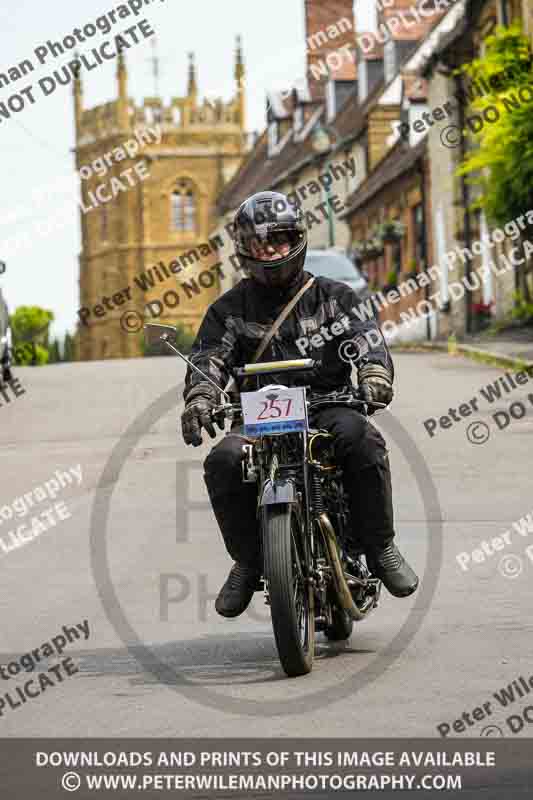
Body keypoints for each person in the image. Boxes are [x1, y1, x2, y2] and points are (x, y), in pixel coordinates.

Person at [181, 191, 419, 618]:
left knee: (361, 438)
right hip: (258, 414)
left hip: (328, 404)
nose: (271, 251)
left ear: (298, 239)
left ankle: (380, 546)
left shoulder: (335, 297)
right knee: (224, 460)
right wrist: (201, 398)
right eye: (260, 244)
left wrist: (374, 374)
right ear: (245, 251)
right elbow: (209, 359)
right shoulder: (228, 309)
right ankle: (249, 560)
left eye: (280, 240)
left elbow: (366, 339)